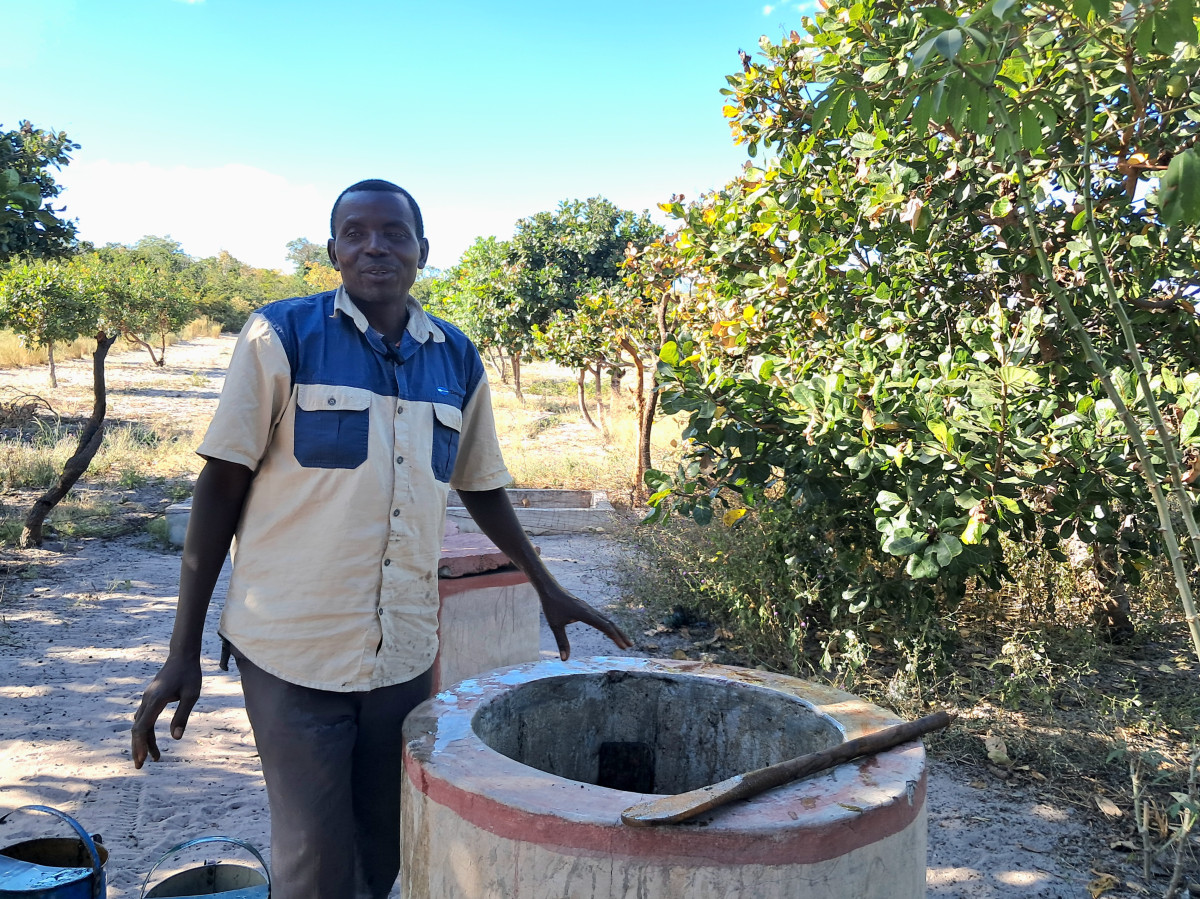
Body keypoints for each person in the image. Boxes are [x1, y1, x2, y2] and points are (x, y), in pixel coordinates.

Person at [130, 179, 632, 899]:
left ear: (422, 249)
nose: (376, 247)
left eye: (395, 233)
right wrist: (182, 650)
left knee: (384, 843)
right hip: (292, 651)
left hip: (402, 655)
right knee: (314, 859)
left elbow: (480, 484)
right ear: (333, 249)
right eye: (356, 233)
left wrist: (546, 586)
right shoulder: (281, 337)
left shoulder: (456, 358)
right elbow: (221, 486)